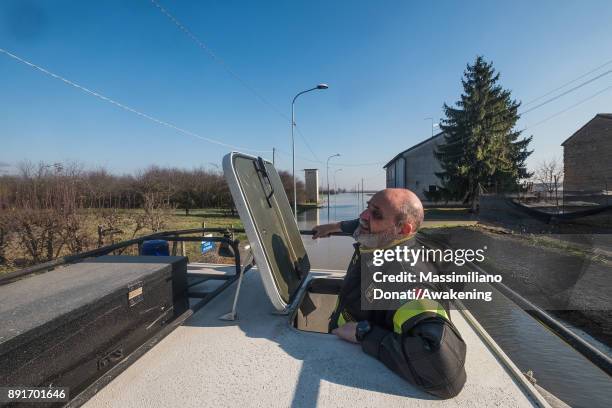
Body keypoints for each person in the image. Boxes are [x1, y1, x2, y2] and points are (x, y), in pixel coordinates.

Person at [312, 188, 467, 399]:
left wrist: (364, 333)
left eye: (376, 213)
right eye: (367, 208)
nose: (363, 216)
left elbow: (443, 371)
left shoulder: (406, 278)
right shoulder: (382, 239)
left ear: (402, 229)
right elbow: (359, 224)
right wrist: (332, 227)